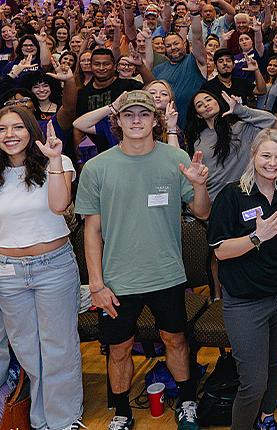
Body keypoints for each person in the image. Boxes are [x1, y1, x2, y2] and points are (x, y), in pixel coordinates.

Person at [75, 90, 211, 430]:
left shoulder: (175, 158)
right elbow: (91, 231)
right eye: (129, 115)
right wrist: (96, 284)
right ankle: (121, 411)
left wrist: (199, 185)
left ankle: (188, 401)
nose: (137, 120)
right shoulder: (97, 167)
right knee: (119, 348)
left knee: (175, 340)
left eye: (144, 114)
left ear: (156, 120)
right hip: (117, 281)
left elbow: (202, 211)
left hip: (166, 274)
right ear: (117, 121)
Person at [207, 128, 277, 430]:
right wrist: (257, 237)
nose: (272, 162)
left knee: (276, 363)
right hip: (245, 302)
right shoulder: (231, 195)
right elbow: (220, 252)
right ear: (253, 156)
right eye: (266, 155)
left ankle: (267, 418)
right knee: (253, 381)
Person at [0, 106, 83, 430]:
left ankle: (63, 422)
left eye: (17, 127)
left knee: (58, 348)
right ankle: (40, 419)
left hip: (53, 268)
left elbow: (59, 206)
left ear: (30, 130)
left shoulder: (56, 162)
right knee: (27, 351)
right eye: (2, 129)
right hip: (7, 272)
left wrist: (53, 161)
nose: (9, 135)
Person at [185, 90, 276, 201]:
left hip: (246, 196)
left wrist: (240, 110)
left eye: (208, 100)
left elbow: (271, 120)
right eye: (200, 105)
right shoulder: (198, 142)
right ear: (198, 115)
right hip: (215, 199)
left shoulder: (242, 128)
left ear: (218, 102)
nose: (206, 104)